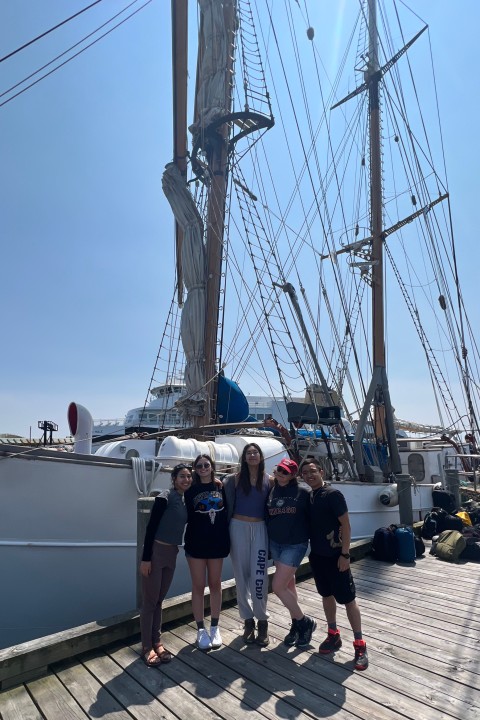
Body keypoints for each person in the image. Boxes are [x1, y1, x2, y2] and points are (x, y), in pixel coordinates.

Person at [301, 458, 368, 671]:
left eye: (313, 471)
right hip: (318, 556)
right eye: (305, 473)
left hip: (336, 556)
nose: (309, 475)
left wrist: (345, 555)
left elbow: (346, 525)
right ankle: (333, 634)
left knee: (348, 599)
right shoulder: (310, 496)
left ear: (321, 471)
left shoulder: (333, 494)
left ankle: (360, 644)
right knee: (326, 596)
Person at [139, 463, 193, 666]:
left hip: (172, 552)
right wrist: (146, 559)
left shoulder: (185, 499)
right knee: (149, 602)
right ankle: (146, 647)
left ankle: (157, 641)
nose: (186, 480)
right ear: (174, 479)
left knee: (160, 600)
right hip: (156, 551)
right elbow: (151, 527)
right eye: (182, 476)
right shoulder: (165, 496)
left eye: (189, 476)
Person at [223, 443, 272, 646]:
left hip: (260, 528)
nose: (252, 455)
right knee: (240, 576)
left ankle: (262, 622)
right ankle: (248, 621)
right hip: (238, 527)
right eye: (249, 453)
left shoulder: (270, 480)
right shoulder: (233, 479)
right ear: (244, 457)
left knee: (259, 575)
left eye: (255, 452)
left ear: (261, 456)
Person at [266, 457, 316, 648]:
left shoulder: (302, 493)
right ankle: (296, 624)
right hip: (276, 543)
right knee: (289, 584)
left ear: (293, 475)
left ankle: (305, 622)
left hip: (295, 544)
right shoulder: (272, 490)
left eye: (285, 472)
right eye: (279, 469)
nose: (281, 473)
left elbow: (314, 515)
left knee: (278, 587)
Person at [184, 453, 230, 650]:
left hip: (217, 542)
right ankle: (200, 629)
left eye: (206, 464)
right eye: (199, 465)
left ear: (212, 467)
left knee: (215, 584)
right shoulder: (189, 490)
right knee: (198, 585)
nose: (203, 468)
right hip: (196, 542)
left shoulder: (221, 487)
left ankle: (215, 626)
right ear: (195, 469)